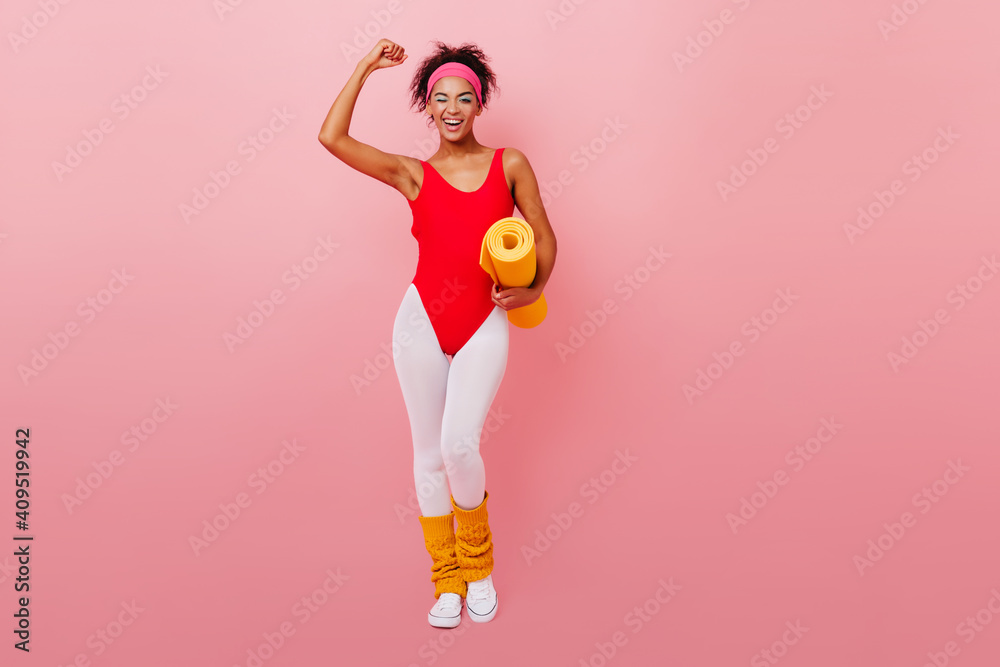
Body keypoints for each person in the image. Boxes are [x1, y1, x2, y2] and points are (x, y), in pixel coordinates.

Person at [318, 38, 556, 628]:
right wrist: (365, 68)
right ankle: (446, 581)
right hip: (420, 321)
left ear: (480, 105)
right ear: (428, 105)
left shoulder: (510, 165)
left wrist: (533, 289)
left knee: (458, 445)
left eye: (464, 98)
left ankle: (479, 567)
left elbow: (545, 238)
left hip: (483, 322)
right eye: (440, 98)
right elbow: (332, 139)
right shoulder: (413, 175)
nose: (452, 108)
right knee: (427, 457)